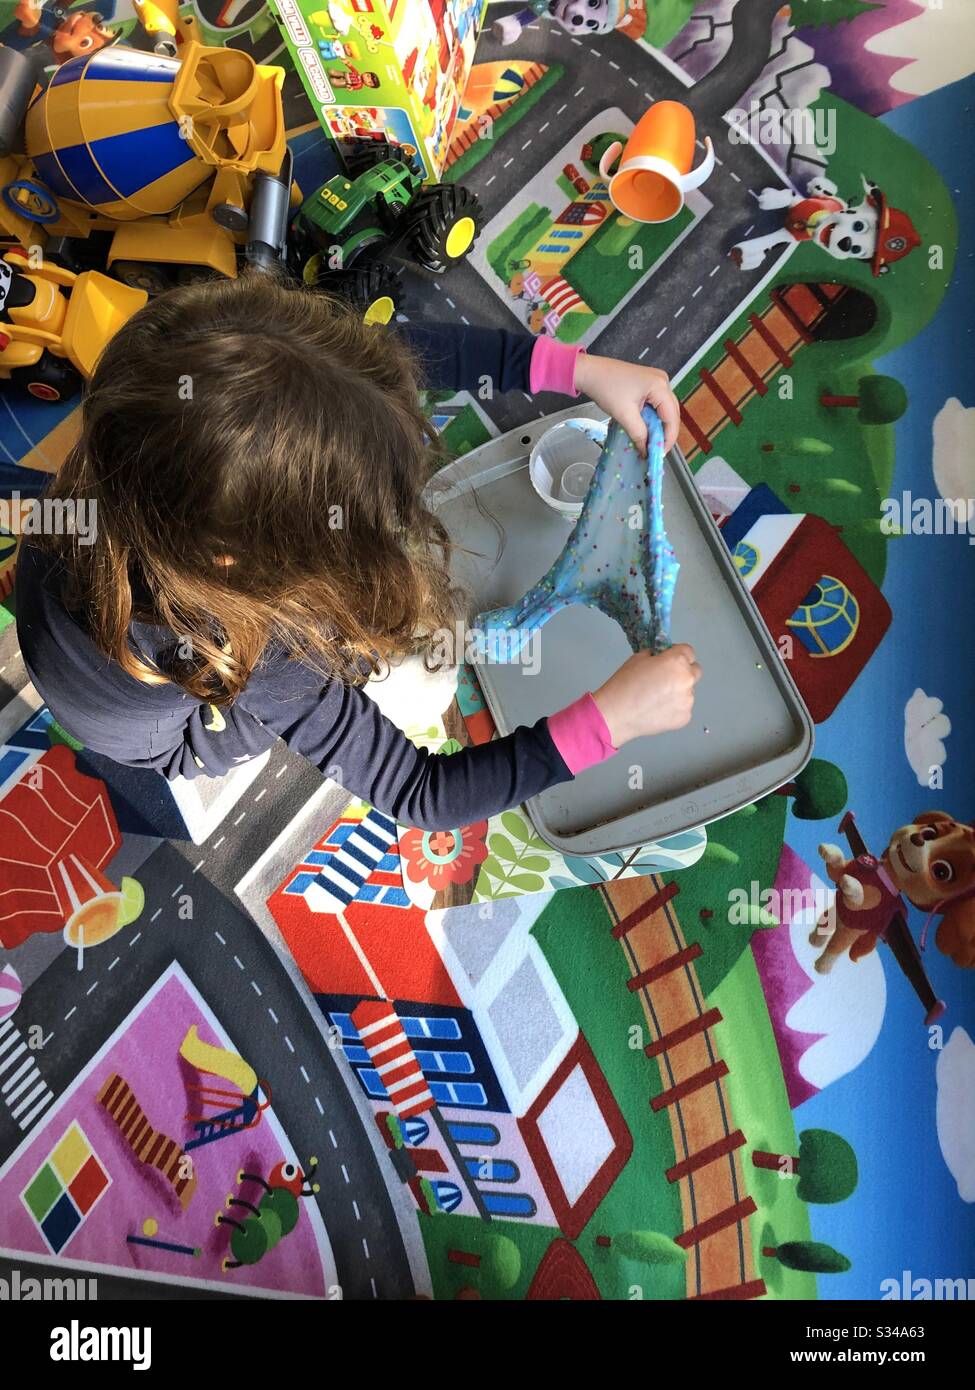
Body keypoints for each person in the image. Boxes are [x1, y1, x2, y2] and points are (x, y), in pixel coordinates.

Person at [16, 274, 701, 831]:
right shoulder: (259, 654)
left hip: (77, 596)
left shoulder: (161, 397)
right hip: (182, 729)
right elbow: (423, 794)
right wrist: (611, 720)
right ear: (258, 568)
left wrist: (575, 368)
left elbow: (379, 357)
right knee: (419, 674)